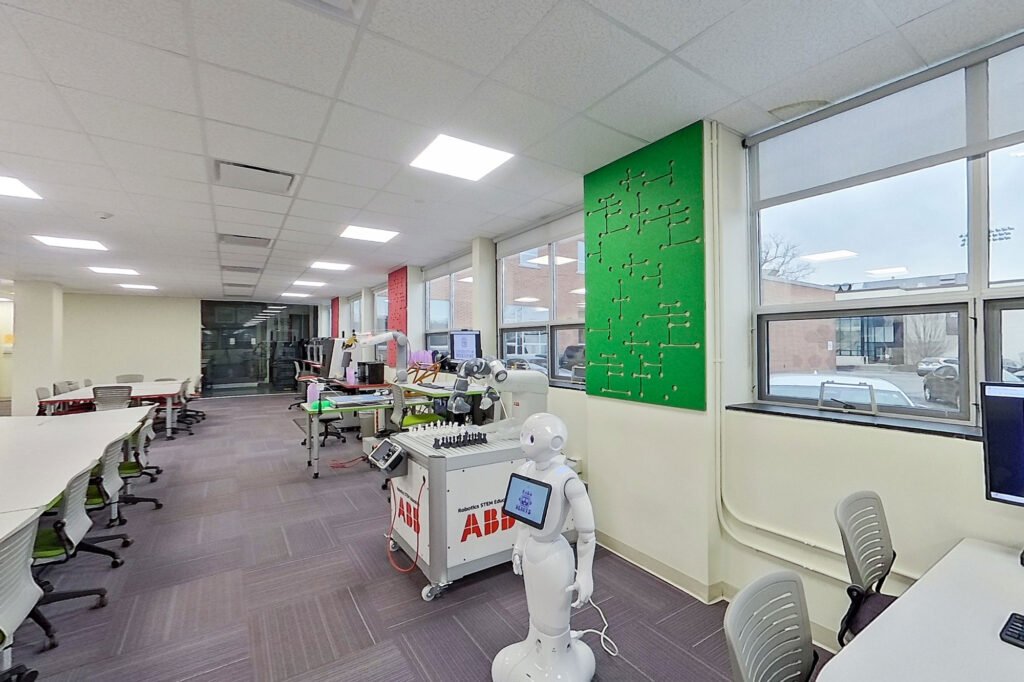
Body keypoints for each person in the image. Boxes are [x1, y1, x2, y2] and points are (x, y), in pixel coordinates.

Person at [492, 413, 597, 682]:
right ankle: (534, 645)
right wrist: (519, 545)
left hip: (555, 557)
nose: (523, 443)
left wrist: (585, 573)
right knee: (535, 609)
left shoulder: (567, 479)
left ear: (555, 442)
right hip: (531, 552)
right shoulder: (525, 471)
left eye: (530, 438)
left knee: (554, 616)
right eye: (523, 437)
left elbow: (587, 533)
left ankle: (557, 654)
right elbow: (523, 519)